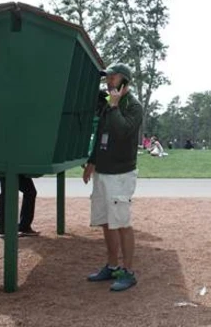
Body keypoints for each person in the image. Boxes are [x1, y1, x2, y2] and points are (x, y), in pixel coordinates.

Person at [82, 63, 143, 292]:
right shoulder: (110, 104)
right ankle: (112, 265)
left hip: (121, 174)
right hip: (103, 171)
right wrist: (92, 161)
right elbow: (101, 134)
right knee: (107, 221)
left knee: (122, 223)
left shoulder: (133, 106)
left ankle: (128, 272)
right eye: (107, 78)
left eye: (113, 77)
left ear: (124, 80)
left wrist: (115, 106)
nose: (108, 82)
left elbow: (123, 131)